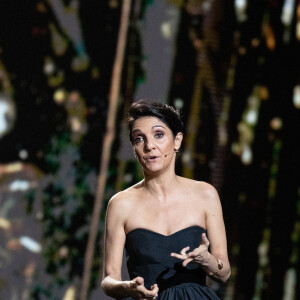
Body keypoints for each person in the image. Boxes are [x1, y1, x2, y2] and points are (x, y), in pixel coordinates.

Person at [101, 100, 231, 299]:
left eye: (158, 135)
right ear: (134, 148)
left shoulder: (205, 194)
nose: (149, 146)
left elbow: (225, 272)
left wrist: (207, 259)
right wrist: (129, 287)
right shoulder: (120, 204)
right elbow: (109, 279)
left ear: (177, 141)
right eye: (139, 139)